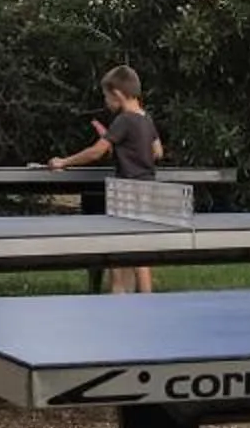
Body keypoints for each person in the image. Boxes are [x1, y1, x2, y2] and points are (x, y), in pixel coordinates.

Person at [41, 65, 165, 291]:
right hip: (148, 190)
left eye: (106, 97)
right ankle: (147, 306)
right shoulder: (146, 118)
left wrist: (63, 162)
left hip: (127, 192)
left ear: (117, 94)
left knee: (118, 259)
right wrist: (120, 144)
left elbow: (96, 152)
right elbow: (158, 151)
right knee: (141, 254)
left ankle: (118, 306)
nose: (106, 102)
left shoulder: (123, 120)